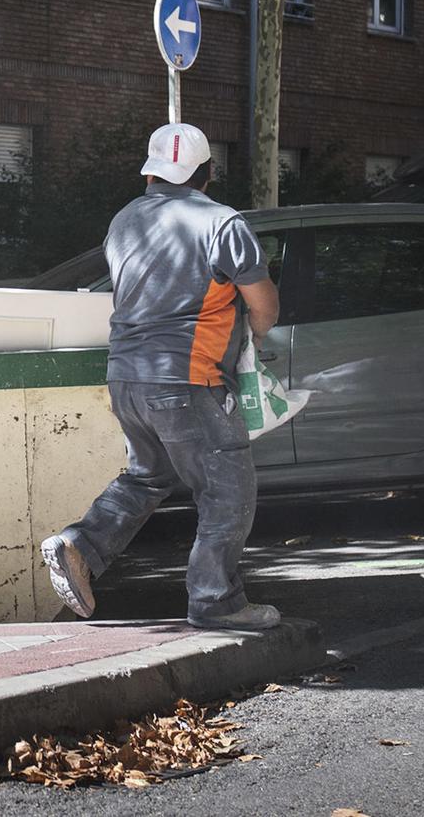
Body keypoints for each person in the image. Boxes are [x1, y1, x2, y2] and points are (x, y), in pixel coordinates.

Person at [40, 122, 282, 631]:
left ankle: (78, 544)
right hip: (187, 380)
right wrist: (253, 339)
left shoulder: (124, 221)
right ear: (208, 173)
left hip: (127, 377)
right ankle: (216, 602)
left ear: (150, 172)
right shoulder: (221, 223)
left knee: (148, 476)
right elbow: (264, 304)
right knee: (227, 487)